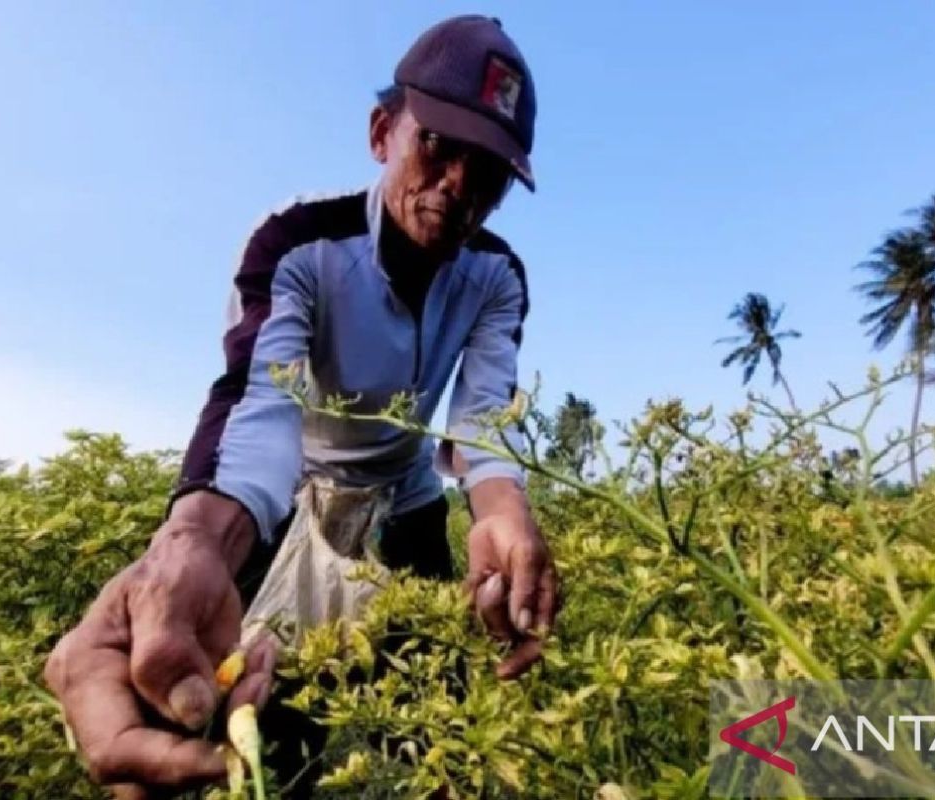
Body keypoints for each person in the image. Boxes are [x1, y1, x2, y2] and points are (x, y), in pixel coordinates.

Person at [42, 14, 558, 799]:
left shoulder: (496, 277)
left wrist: (505, 514)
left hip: (409, 504)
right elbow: (261, 405)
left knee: (440, 722)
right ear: (383, 131)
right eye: (438, 146)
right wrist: (196, 544)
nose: (458, 184)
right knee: (268, 724)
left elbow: (481, 419)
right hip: (290, 502)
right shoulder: (300, 245)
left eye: (487, 171)